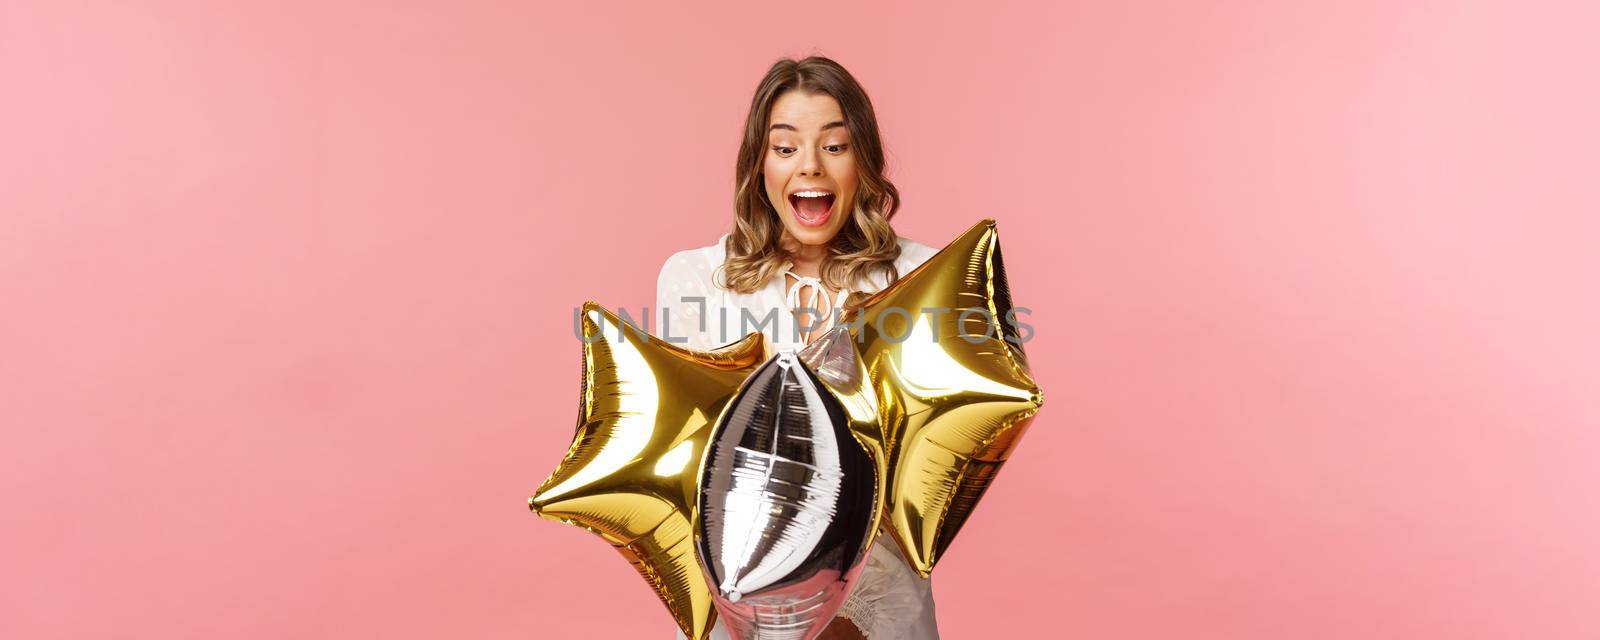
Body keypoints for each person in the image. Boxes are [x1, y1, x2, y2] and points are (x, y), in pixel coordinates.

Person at [657, 56, 941, 640]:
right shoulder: (695, 279)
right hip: (751, 608)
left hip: (885, 605)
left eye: (834, 146)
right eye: (784, 148)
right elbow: (690, 459)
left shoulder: (919, 276)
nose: (809, 165)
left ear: (862, 159)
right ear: (758, 164)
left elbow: (954, 434)